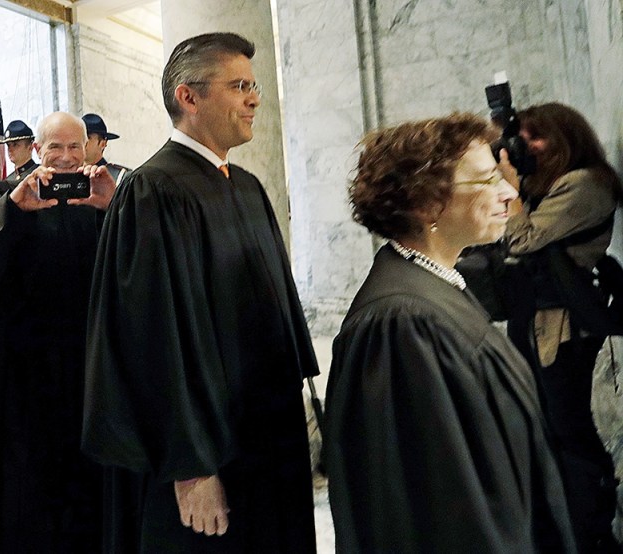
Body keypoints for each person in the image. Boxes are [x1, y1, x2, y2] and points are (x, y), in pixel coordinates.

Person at [83, 32, 318, 552]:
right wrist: (191, 467)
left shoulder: (247, 185)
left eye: (253, 85)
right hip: (212, 450)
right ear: (189, 97)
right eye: (239, 86)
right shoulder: (153, 191)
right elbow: (153, 340)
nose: (254, 98)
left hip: (266, 438)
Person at [326, 112, 576, 551]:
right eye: (486, 181)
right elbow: (445, 505)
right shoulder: (403, 324)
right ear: (426, 203)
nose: (509, 192)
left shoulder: (434, 284)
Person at [0, 111, 115, 553]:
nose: (65, 158)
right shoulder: (6, 194)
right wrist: (12, 212)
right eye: (55, 147)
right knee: (29, 485)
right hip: (27, 371)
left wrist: (113, 208)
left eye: (74, 147)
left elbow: (140, 270)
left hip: (91, 368)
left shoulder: (104, 195)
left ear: (89, 149)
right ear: (38, 150)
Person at [501, 102, 622, 552]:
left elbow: (523, 238)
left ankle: (592, 528)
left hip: (564, 327)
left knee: (568, 424)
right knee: (548, 423)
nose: (528, 145)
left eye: (538, 136)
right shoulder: (549, 186)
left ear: (566, 137)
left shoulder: (585, 183)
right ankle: (567, 520)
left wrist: (513, 193)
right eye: (524, 135)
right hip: (539, 319)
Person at [82, 113, 130, 185]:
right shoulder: (69, 173)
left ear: (102, 144)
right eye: (80, 137)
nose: (82, 142)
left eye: (88, 137)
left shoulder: (119, 176)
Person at [0, 119, 37, 186]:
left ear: (30, 147)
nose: (10, 149)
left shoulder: (38, 175)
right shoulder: (8, 181)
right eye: (8, 145)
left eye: (15, 145)